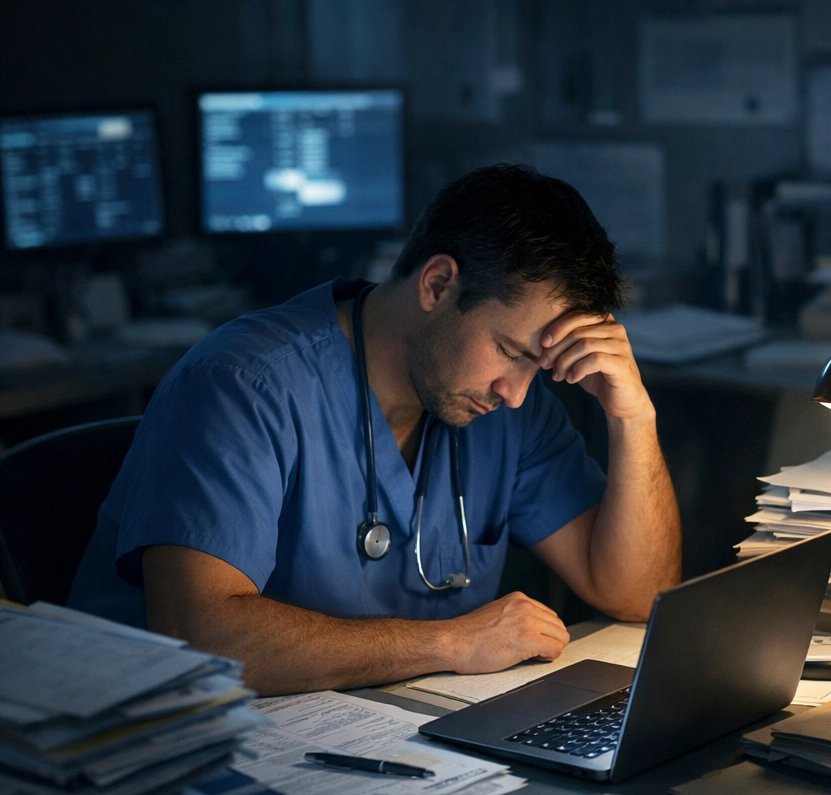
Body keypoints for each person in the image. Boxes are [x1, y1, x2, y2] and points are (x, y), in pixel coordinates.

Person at [69, 164, 682, 694]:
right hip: (167, 763)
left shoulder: (507, 412)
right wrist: (448, 643)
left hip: (394, 752)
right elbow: (200, 634)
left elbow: (638, 592)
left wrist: (634, 419)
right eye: (508, 351)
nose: (518, 393)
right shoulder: (243, 385)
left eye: (539, 366)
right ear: (437, 284)